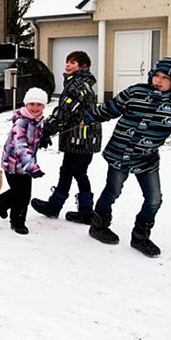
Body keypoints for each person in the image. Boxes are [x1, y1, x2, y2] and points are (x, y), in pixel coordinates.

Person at [84, 57, 171, 257]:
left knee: (154, 199)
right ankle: (98, 225)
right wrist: (90, 117)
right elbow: (111, 107)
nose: (159, 81)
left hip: (146, 160)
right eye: (156, 76)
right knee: (112, 191)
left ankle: (140, 236)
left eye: (165, 78)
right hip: (120, 154)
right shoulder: (135, 92)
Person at [30, 51, 102, 224]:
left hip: (79, 138)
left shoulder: (76, 85)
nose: (68, 65)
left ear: (83, 66)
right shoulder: (84, 84)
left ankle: (54, 207)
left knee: (67, 171)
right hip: (89, 138)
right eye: (67, 62)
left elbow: (64, 111)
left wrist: (46, 130)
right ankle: (85, 211)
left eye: (73, 63)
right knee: (80, 172)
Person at [0, 87, 47, 235]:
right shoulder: (21, 123)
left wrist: (42, 139)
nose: (35, 108)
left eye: (39, 104)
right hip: (12, 164)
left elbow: (33, 137)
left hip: (24, 165)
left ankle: (2, 201)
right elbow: (21, 146)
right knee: (21, 195)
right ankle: (17, 222)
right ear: (26, 104)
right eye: (32, 104)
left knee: (22, 194)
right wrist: (32, 167)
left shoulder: (37, 120)